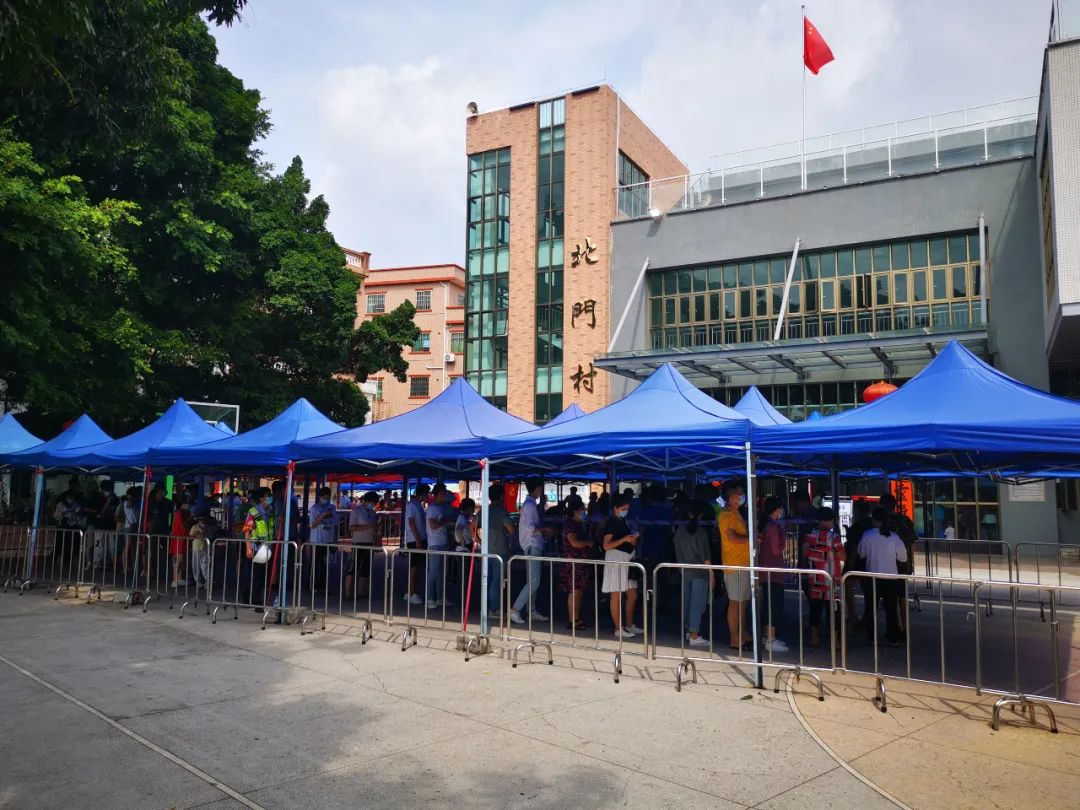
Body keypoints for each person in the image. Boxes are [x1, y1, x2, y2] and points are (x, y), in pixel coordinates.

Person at [858, 508, 909, 646]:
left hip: (872, 576)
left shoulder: (867, 535)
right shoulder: (893, 537)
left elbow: (861, 553)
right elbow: (903, 557)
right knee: (891, 609)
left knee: (871, 608)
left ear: (874, 519)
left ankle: (871, 637)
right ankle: (893, 637)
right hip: (890, 577)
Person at [802, 507, 845, 646]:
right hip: (831, 578)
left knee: (815, 608)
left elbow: (805, 553)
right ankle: (834, 640)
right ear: (830, 520)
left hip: (815, 577)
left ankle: (814, 637)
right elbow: (842, 556)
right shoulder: (834, 537)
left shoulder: (810, 535)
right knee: (833, 609)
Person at [672, 500, 713, 647]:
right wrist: (712, 575)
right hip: (700, 572)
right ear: (701, 515)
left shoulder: (679, 531)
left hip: (685, 570)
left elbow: (676, 552)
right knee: (697, 604)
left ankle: (689, 630)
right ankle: (694, 635)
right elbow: (706, 558)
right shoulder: (701, 533)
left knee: (686, 602)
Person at [601, 494, 641, 639]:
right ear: (615, 508)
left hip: (626, 559)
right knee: (616, 595)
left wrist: (631, 541)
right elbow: (606, 545)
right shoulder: (612, 522)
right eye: (623, 508)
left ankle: (629, 624)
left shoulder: (623, 521)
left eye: (627, 508)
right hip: (616, 559)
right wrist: (624, 539)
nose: (626, 510)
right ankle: (618, 628)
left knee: (632, 594)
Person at [718, 480, 752, 651]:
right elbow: (732, 537)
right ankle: (734, 637)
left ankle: (743, 633)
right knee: (735, 602)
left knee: (743, 602)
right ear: (731, 497)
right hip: (734, 565)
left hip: (743, 564)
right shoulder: (726, 515)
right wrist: (750, 539)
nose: (742, 496)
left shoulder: (736, 513)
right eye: (739, 494)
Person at [510, 478, 549, 624]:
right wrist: (545, 529)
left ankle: (531, 610)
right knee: (534, 581)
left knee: (532, 581)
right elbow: (531, 528)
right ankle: (515, 609)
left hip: (530, 546)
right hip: (533, 546)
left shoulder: (528, 504)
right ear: (537, 488)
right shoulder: (530, 506)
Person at [476, 483, 514, 619]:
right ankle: (494, 609)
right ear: (502, 496)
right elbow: (511, 529)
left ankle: (484, 608)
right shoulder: (502, 511)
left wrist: (479, 540)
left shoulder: (483, 511)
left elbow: (472, 526)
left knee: (486, 580)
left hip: (486, 550)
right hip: (500, 551)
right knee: (496, 582)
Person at [757, 496, 789, 652]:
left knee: (769, 604)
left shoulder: (767, 525)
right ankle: (771, 638)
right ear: (777, 510)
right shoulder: (773, 527)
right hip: (773, 570)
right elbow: (776, 550)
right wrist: (784, 541)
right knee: (773, 605)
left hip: (767, 570)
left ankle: (766, 636)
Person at [560, 502, 593, 631]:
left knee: (579, 591)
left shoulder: (579, 524)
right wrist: (588, 543)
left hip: (581, 562)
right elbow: (574, 543)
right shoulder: (570, 524)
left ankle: (576, 618)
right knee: (574, 591)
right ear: (575, 511)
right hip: (574, 562)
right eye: (582, 510)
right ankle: (572, 620)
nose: (584, 512)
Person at [242, 487, 275, 608]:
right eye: (267, 496)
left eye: (270, 495)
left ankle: (257, 599)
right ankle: (252, 600)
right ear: (261, 498)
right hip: (255, 548)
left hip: (266, 548)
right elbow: (247, 531)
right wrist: (248, 548)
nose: (270, 498)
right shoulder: (254, 512)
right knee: (253, 576)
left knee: (261, 576)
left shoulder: (271, 510)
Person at [844, 499, 874, 627]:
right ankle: (867, 617)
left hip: (856, 561)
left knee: (847, 586)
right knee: (868, 591)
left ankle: (853, 616)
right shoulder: (873, 525)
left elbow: (853, 548)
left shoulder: (856, 527)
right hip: (870, 561)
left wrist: (850, 566)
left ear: (858, 511)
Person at [346, 491, 379, 598]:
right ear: (366, 501)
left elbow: (375, 528)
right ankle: (347, 593)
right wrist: (367, 526)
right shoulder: (356, 511)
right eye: (372, 502)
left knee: (366, 568)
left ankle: (360, 592)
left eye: (374, 503)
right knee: (353, 567)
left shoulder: (373, 513)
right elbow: (351, 527)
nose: (373, 505)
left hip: (369, 543)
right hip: (358, 543)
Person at [425, 483, 453, 609]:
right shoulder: (432, 508)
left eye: (445, 493)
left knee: (442, 572)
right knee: (434, 571)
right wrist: (444, 522)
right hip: (435, 544)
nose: (445, 496)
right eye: (443, 493)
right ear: (437, 494)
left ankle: (440, 598)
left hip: (443, 542)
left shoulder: (441, 507)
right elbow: (433, 525)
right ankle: (429, 598)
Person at [307, 486, 337, 596]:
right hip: (317, 540)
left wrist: (334, 541)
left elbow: (335, 523)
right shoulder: (314, 508)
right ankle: (313, 587)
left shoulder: (332, 507)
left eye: (328, 498)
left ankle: (323, 587)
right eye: (324, 498)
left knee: (325, 564)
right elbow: (313, 525)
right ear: (320, 497)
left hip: (328, 540)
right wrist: (323, 516)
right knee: (316, 564)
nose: (326, 500)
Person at [402, 483, 429, 605]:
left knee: (417, 567)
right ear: (422, 493)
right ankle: (411, 593)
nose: (428, 496)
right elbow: (411, 522)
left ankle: (410, 592)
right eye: (427, 493)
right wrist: (417, 539)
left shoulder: (418, 505)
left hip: (420, 538)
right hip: (414, 540)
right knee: (414, 566)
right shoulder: (412, 505)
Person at [169, 497, 192, 587]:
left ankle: (179, 578)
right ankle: (175, 579)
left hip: (182, 538)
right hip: (179, 539)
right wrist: (190, 517)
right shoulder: (178, 514)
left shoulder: (182, 513)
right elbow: (182, 525)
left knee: (181, 560)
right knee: (179, 559)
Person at [189, 515, 210, 594]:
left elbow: (210, 536)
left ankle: (207, 581)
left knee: (205, 565)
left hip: (204, 548)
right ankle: (198, 581)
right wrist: (196, 535)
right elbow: (190, 536)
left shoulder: (207, 527)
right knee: (196, 565)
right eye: (200, 520)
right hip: (196, 548)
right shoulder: (194, 527)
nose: (201, 521)